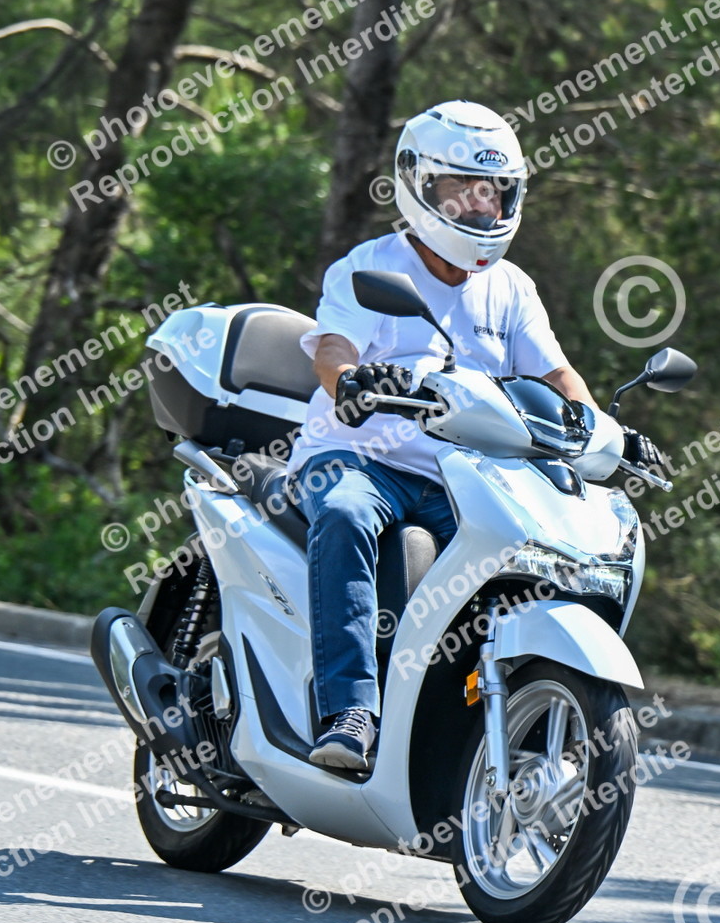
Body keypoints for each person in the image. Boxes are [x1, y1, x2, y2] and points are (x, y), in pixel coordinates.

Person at [283, 100, 662, 770]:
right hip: (359, 458)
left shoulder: (511, 288)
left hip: (465, 476)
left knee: (533, 551)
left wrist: (607, 432)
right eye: (463, 187)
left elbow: (556, 375)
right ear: (419, 185)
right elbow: (334, 347)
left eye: (495, 190)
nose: (482, 204)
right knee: (344, 514)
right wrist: (349, 382)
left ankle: (479, 718)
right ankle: (349, 710)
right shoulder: (370, 267)